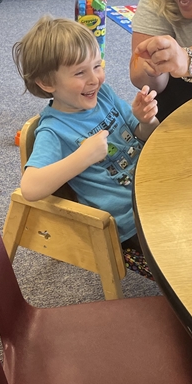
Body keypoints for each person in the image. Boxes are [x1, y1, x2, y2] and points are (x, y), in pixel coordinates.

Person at [13, 16, 158, 251]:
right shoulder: (53, 130)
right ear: (48, 82)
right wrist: (85, 156)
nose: (95, 79)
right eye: (80, 73)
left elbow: (145, 136)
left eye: (97, 66)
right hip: (132, 222)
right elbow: (30, 188)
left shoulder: (104, 95)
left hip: (154, 188)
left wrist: (146, 120)